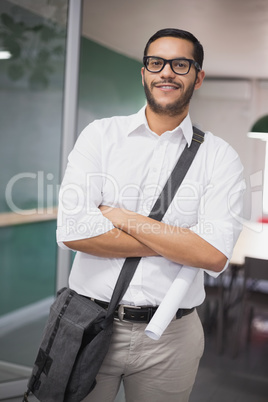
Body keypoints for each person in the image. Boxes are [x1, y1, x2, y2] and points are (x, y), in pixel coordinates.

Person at [57, 28, 245, 402]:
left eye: (181, 64)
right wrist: (182, 240)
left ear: (198, 76)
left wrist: (119, 216)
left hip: (172, 339)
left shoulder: (220, 157)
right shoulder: (100, 136)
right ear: (144, 72)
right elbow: (74, 231)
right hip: (88, 322)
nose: (167, 72)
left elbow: (212, 255)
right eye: (156, 63)